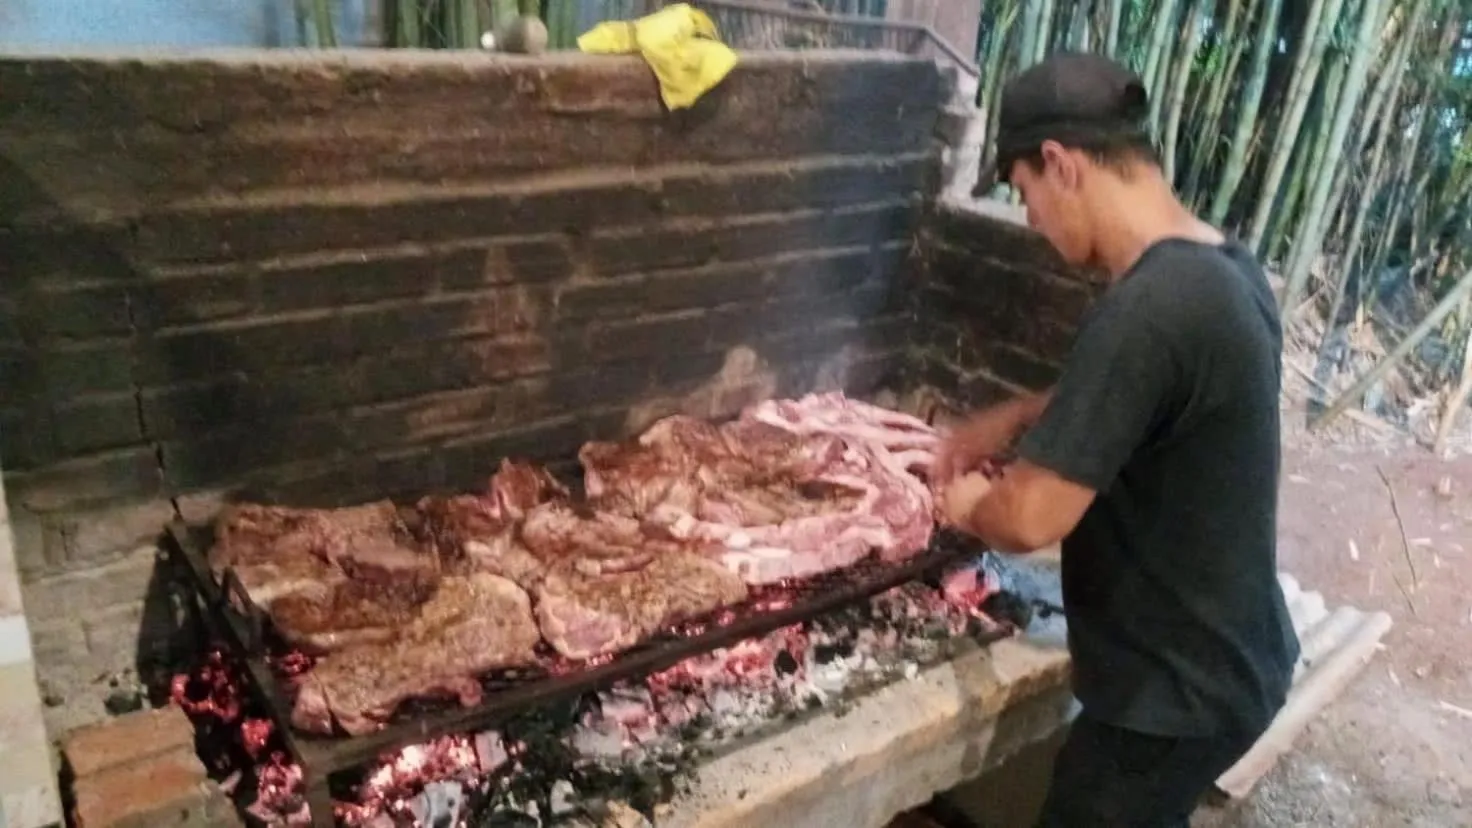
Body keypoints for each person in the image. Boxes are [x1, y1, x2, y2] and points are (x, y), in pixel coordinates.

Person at [935, 52, 1301, 827]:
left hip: (1169, 696)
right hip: (1231, 658)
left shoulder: (1146, 310)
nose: (1029, 219)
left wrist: (970, 504)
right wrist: (1022, 415)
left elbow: (1030, 518)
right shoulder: (1216, 267)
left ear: (1061, 164)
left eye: (1024, 192)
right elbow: (1151, 393)